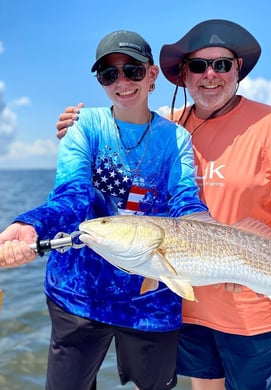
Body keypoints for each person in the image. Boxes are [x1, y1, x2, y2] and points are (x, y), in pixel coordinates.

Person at [55, 20, 271, 390]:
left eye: (222, 64)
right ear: (183, 75)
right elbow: (121, 136)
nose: (210, 75)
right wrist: (76, 126)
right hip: (187, 304)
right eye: (198, 66)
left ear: (238, 70)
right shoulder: (168, 129)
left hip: (252, 307)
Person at [0, 30, 208, 390]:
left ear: (153, 74)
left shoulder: (176, 139)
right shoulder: (86, 127)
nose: (122, 82)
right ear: (99, 80)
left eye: (132, 70)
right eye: (109, 74)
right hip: (78, 293)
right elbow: (72, 195)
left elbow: (185, 199)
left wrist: (207, 233)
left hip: (151, 297)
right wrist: (32, 224)